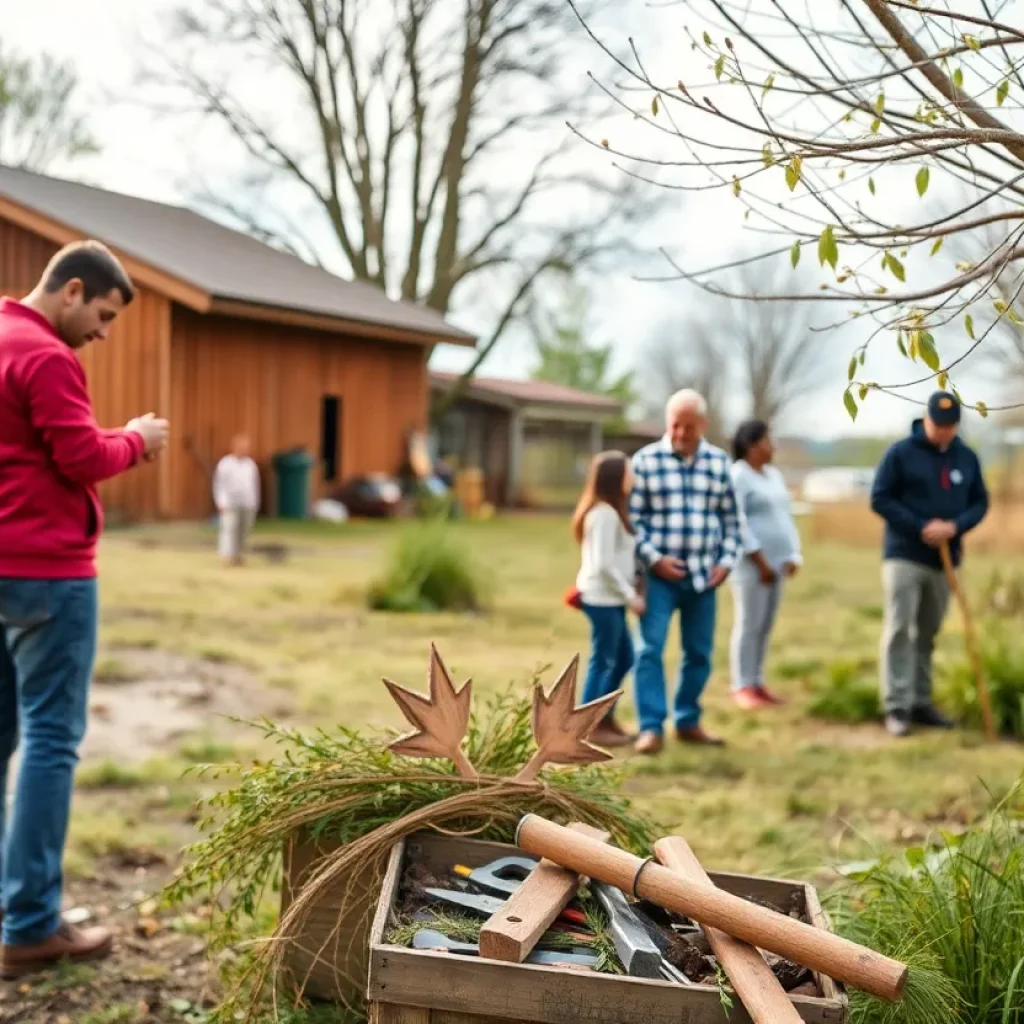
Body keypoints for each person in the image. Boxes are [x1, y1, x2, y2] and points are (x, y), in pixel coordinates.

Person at [0, 241, 169, 978]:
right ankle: (30, 923)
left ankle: (14, 907)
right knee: (50, 741)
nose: (102, 334)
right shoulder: (45, 356)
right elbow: (78, 456)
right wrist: (135, 440)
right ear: (71, 290)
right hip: (47, 575)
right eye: (102, 316)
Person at [870, 391, 989, 738]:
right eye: (939, 425)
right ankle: (897, 706)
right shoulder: (901, 453)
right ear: (927, 418)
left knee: (928, 632)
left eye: (951, 427)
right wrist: (920, 526)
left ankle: (921, 702)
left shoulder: (966, 457)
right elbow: (880, 497)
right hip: (905, 555)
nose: (944, 432)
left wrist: (954, 527)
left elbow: (980, 502)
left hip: (946, 560)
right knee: (899, 629)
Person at [630, 389, 742, 754]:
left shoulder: (719, 463)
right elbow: (633, 521)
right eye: (675, 425)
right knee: (650, 650)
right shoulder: (645, 461)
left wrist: (726, 562)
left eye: (688, 427)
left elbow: (732, 520)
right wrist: (653, 559)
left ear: (703, 425)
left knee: (699, 654)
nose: (680, 433)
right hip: (659, 577)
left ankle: (687, 721)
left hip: (703, 578)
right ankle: (651, 727)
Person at [572, 451, 646, 748]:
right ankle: (586, 728)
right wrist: (631, 597)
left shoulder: (613, 511)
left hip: (610, 599)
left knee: (624, 658)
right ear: (616, 478)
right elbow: (603, 563)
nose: (633, 478)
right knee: (604, 660)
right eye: (629, 473)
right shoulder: (603, 514)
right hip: (601, 599)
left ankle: (604, 718)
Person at [728, 420, 802, 710]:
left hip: (777, 564)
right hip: (751, 566)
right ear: (752, 445)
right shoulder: (738, 476)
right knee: (748, 623)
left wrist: (794, 554)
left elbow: (785, 516)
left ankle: (757, 681)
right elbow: (738, 522)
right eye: (768, 440)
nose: (773, 446)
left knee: (765, 624)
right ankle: (741, 685)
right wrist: (759, 560)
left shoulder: (773, 475)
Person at [213, 434, 261, 566]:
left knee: (244, 531)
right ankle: (226, 556)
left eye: (246, 447)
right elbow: (219, 484)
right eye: (241, 447)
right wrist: (221, 502)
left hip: (248, 503)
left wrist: (255, 503)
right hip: (230, 502)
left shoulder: (250, 465)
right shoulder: (225, 464)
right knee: (229, 528)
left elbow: (254, 485)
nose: (244, 449)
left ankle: (239, 556)